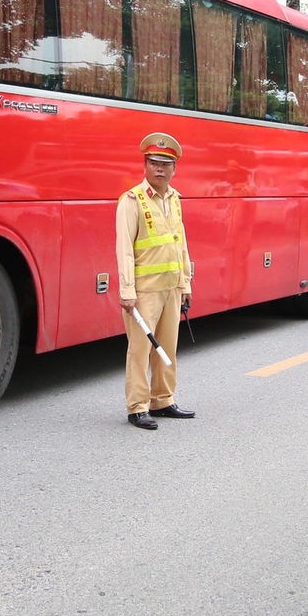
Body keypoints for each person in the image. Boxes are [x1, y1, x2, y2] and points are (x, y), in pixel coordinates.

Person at [115, 132, 196, 430]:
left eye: (165, 164)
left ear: (174, 169)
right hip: (144, 291)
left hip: (171, 288)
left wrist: (185, 284)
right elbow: (123, 248)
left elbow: (181, 242)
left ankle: (162, 399)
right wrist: (127, 291)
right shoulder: (132, 200)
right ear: (145, 165)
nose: (159, 169)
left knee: (167, 347)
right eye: (153, 163)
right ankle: (137, 407)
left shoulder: (175, 199)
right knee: (140, 350)